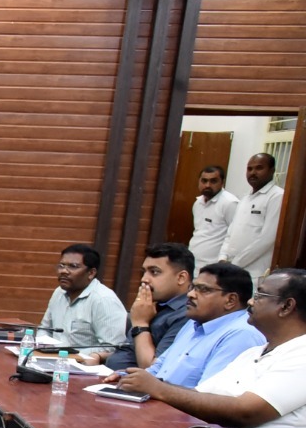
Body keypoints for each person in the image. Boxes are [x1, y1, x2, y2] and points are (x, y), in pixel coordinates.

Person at [119, 269, 306, 428]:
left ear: (286, 306)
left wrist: (158, 388)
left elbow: (246, 412)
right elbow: (199, 397)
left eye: (260, 295)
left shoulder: (302, 354)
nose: (250, 302)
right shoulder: (253, 353)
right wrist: (140, 383)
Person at [105, 263, 264, 388]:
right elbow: (159, 369)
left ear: (230, 300)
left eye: (203, 290)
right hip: (160, 405)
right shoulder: (193, 323)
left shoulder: (241, 335)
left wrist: (154, 388)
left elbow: (209, 395)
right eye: (193, 287)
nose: (191, 294)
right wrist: (130, 377)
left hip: (185, 416)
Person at [90, 243, 192, 370]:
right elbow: (132, 352)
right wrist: (101, 356)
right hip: (109, 374)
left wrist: (140, 324)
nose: (144, 279)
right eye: (144, 272)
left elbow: (152, 369)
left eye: (154, 272)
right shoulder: (151, 305)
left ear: (181, 278)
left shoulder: (186, 315)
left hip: (133, 381)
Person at [38, 244, 126, 359]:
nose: (64, 271)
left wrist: (66, 354)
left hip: (84, 364)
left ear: (91, 273)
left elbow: (112, 348)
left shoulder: (104, 300)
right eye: (61, 265)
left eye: (73, 266)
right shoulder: (59, 292)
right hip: (53, 359)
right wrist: (42, 347)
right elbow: (45, 329)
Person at [220, 153, 284, 284]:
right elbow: (231, 232)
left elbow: (267, 238)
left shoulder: (277, 196)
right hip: (231, 269)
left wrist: (236, 263)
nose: (253, 173)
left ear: (272, 170)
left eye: (259, 168)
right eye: (249, 169)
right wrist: (223, 257)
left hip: (254, 273)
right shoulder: (245, 198)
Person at [191, 165, 240, 270]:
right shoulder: (198, 203)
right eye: (204, 181)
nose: (207, 185)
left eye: (213, 181)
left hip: (214, 267)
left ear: (222, 182)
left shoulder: (230, 203)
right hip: (193, 262)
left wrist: (223, 261)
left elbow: (235, 236)